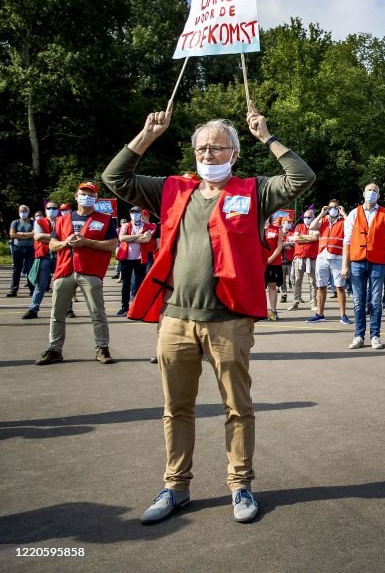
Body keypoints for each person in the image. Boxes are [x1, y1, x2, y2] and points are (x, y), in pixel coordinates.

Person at [103, 103, 314, 524]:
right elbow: (115, 178)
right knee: (176, 407)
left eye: (216, 149)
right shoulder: (171, 189)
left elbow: (301, 177)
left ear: (233, 154)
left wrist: (266, 136)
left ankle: (240, 485)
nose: (207, 156)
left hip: (229, 320)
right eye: (201, 148)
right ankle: (176, 486)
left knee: (237, 406)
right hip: (177, 318)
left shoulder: (253, 191)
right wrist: (147, 136)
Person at [34, 181, 118, 365]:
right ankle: (54, 349)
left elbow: (112, 244)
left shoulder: (104, 220)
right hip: (65, 270)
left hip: (90, 271)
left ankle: (102, 348)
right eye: (83, 193)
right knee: (57, 313)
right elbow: (53, 244)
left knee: (97, 312)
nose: (86, 196)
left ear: (96, 198)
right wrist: (65, 243)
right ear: (76, 195)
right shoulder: (63, 220)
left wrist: (86, 242)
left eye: (91, 194)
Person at [341, 183, 385, 349]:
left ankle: (375, 336)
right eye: (369, 190)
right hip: (357, 261)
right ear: (363, 193)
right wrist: (345, 265)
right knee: (358, 301)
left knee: (375, 301)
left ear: (378, 196)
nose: (372, 193)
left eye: (375, 191)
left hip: (378, 262)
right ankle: (359, 336)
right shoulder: (353, 213)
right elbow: (347, 241)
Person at [308, 199, 350, 324]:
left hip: (337, 257)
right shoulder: (323, 220)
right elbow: (311, 226)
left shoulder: (343, 221)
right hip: (322, 256)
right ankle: (320, 314)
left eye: (335, 207)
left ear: (339, 209)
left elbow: (352, 228)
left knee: (340, 287)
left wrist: (344, 214)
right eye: (331, 207)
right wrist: (321, 213)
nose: (333, 209)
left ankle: (343, 315)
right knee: (321, 286)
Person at [22, 201, 60, 320]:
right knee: (41, 284)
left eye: (54, 208)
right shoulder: (39, 222)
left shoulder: (63, 221)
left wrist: (47, 237)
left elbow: (66, 236)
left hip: (60, 255)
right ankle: (33, 309)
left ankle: (68, 309)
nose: (52, 209)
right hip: (44, 256)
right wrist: (56, 238)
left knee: (63, 284)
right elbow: (38, 237)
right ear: (45, 209)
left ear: (58, 209)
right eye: (49, 208)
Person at [115, 206, 156, 316]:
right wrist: (138, 237)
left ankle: (136, 307)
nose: (134, 214)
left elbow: (146, 239)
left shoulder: (147, 226)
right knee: (125, 284)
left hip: (139, 259)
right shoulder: (125, 225)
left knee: (139, 284)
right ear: (130, 215)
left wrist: (130, 237)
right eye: (132, 212)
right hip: (126, 259)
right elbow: (122, 238)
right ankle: (124, 307)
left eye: (137, 212)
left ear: (141, 214)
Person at [289, 208, 319, 309]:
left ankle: (313, 303)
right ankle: (296, 302)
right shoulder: (299, 226)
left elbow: (316, 237)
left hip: (311, 258)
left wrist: (302, 238)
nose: (306, 219)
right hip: (299, 257)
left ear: (313, 217)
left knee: (312, 282)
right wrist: (309, 238)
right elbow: (296, 238)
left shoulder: (316, 227)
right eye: (305, 217)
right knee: (297, 281)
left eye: (309, 217)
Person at [8, 204, 36, 297]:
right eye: (21, 211)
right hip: (17, 248)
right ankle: (13, 289)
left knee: (30, 269)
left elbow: (34, 233)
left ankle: (32, 289)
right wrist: (28, 235)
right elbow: (12, 235)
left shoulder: (33, 222)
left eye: (25, 211)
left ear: (28, 212)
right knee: (16, 269)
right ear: (18, 212)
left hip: (30, 248)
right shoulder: (15, 222)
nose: (23, 213)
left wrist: (21, 234)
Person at [264, 219, 285, 320]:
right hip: (258, 263)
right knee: (259, 288)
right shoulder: (255, 228)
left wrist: (270, 258)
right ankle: (261, 312)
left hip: (273, 262)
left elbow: (280, 246)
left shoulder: (277, 229)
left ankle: (273, 312)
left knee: (272, 286)